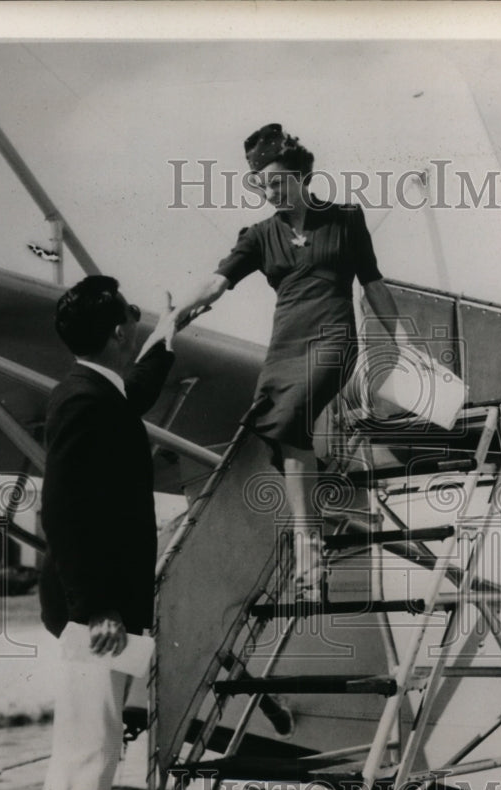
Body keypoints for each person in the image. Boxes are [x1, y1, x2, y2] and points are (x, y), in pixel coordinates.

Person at [169, 123, 400, 599]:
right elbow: (216, 283)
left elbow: (373, 284)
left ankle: (309, 539)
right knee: (283, 425)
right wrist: (177, 313)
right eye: (264, 185)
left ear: (302, 176)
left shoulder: (345, 220)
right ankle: (312, 532)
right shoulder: (257, 236)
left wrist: (400, 338)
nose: (271, 192)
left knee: (293, 413)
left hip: (333, 337)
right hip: (286, 343)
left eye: (278, 182)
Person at [24, 275, 176, 790]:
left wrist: (173, 332)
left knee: (90, 753)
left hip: (106, 614)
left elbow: (135, 392)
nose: (135, 333)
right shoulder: (83, 401)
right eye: (134, 326)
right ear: (117, 333)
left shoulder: (97, 393)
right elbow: (61, 511)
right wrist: (98, 610)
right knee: (88, 758)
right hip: (99, 617)